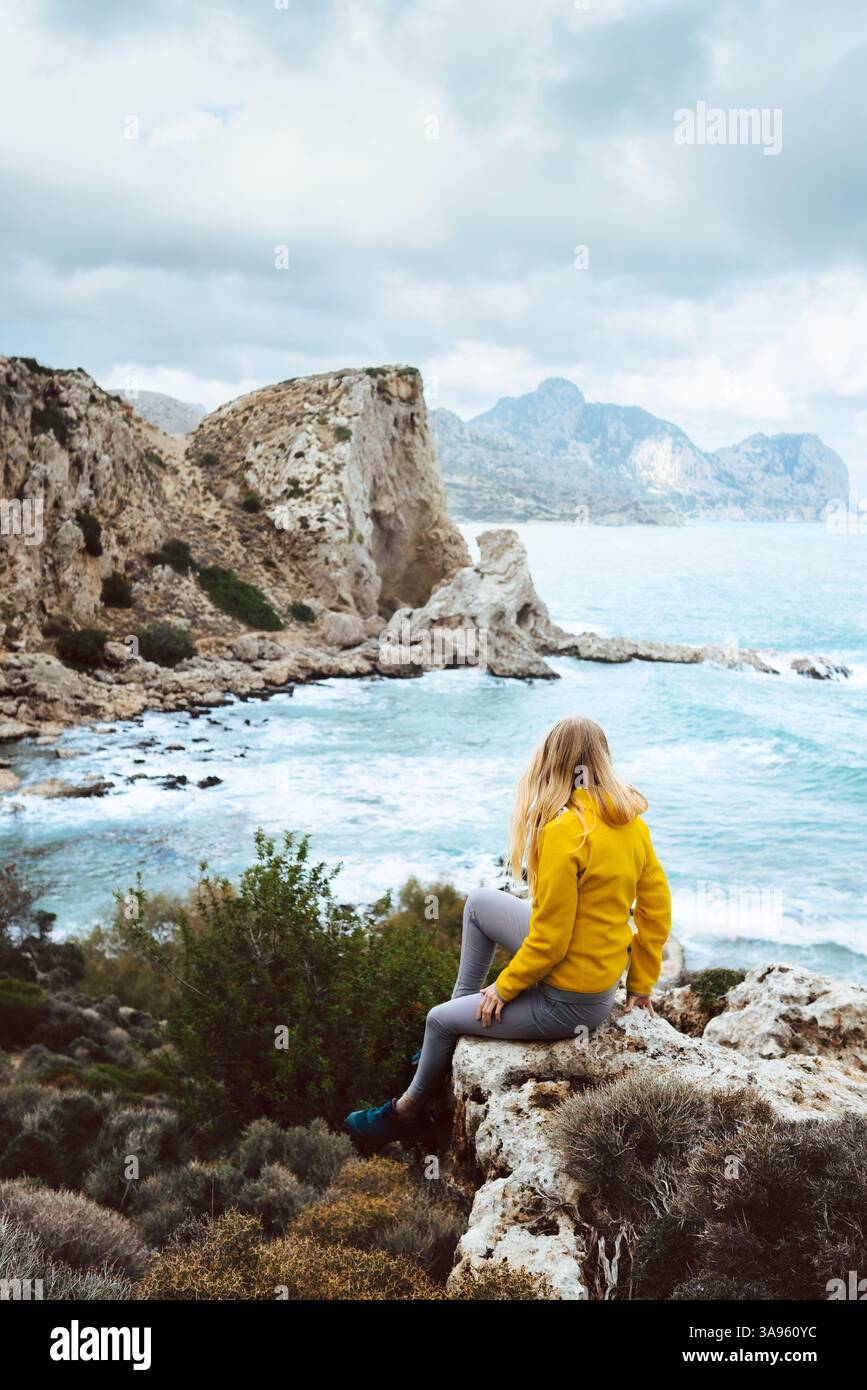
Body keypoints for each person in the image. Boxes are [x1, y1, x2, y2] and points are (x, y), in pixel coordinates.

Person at [345, 714, 671, 1149]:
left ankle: (404, 1113)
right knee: (480, 902)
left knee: (438, 1021)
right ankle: (457, 1026)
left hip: (569, 1004)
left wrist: (504, 988)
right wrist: (640, 985)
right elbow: (657, 910)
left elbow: (551, 942)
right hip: (596, 981)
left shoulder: (564, 832)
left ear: (552, 762)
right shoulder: (632, 824)